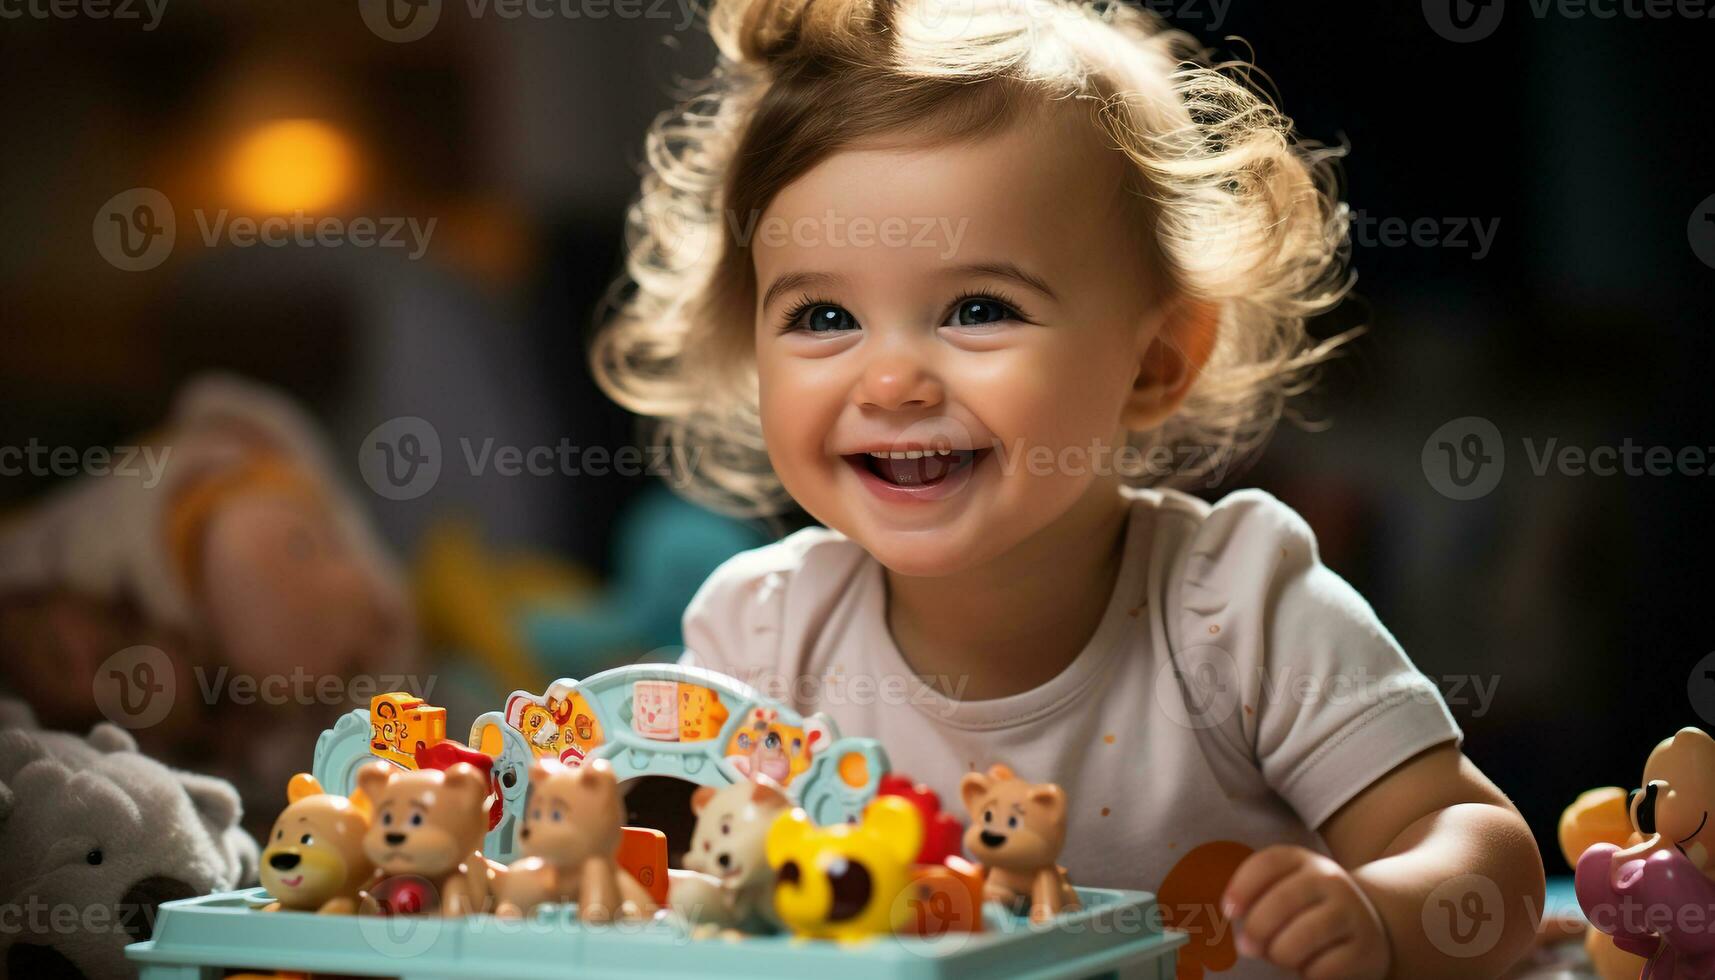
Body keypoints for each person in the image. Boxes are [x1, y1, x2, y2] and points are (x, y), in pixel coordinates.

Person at [591, 0, 1545, 974]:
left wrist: (1382, 914)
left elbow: (1486, 858)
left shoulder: (1233, 607)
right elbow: (676, 893)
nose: (889, 382)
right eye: (822, 313)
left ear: (1154, 360)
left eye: (976, 308)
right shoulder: (761, 635)